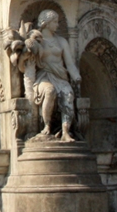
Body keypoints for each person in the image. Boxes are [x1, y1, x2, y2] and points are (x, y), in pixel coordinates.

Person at [27, 10, 83, 141]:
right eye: (55, 22)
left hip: (60, 76)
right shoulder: (37, 40)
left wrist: (76, 76)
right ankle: (47, 126)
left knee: (68, 95)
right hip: (44, 76)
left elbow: (69, 63)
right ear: (46, 23)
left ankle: (65, 131)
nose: (57, 25)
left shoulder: (61, 41)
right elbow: (28, 56)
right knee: (49, 91)